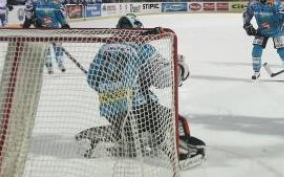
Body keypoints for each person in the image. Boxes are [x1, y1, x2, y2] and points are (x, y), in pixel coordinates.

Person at [77, 14, 205, 168]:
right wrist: (180, 67)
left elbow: (92, 79)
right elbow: (163, 79)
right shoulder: (143, 48)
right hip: (137, 107)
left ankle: (110, 145)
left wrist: (112, 86)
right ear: (138, 28)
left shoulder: (104, 48)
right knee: (172, 119)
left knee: (130, 135)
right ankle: (171, 151)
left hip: (109, 108)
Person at [242, 0, 284, 80]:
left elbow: (283, 14)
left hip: (277, 30)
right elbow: (247, 14)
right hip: (262, 31)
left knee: (282, 51)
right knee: (256, 51)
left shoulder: (275, 1)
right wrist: (247, 25)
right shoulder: (253, 3)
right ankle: (256, 72)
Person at [22, 0, 70, 73]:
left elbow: (59, 13)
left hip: (54, 28)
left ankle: (60, 64)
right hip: (42, 29)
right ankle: (49, 67)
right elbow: (29, 12)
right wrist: (32, 21)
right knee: (46, 49)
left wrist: (64, 24)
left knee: (58, 47)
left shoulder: (55, 0)